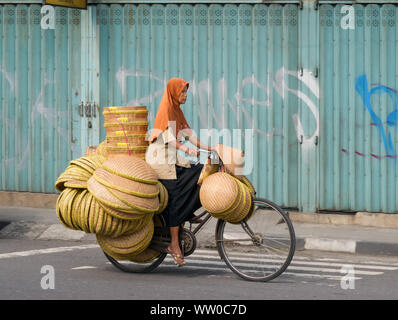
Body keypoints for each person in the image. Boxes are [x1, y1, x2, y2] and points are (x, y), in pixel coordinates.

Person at [146, 78, 213, 267]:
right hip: (160, 160)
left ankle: (187, 211)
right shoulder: (166, 109)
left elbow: (190, 135)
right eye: (182, 93)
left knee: (200, 172)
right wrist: (188, 150)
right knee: (174, 198)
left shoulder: (177, 111)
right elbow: (169, 139)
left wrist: (210, 148)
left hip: (172, 158)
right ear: (174, 92)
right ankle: (174, 245)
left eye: (186, 93)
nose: (185, 96)